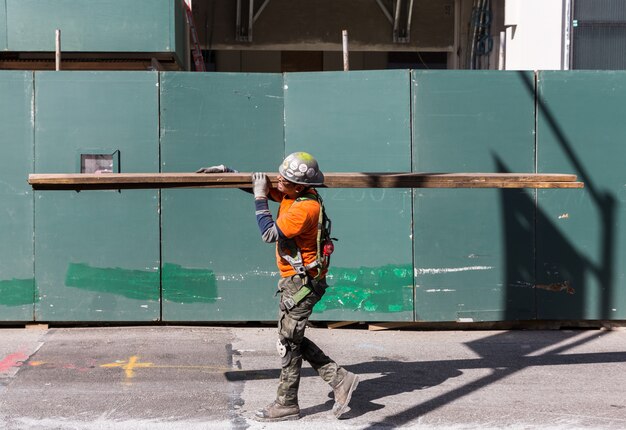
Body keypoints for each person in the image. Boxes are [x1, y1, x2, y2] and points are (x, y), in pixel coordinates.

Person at [197, 152, 359, 422]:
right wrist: (229, 172)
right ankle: (340, 379)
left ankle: (288, 403)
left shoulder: (304, 208)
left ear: (299, 185)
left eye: (285, 180)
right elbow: (264, 187)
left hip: (303, 284)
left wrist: (260, 198)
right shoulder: (294, 194)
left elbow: (269, 233)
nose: (278, 181)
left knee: (288, 342)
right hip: (298, 281)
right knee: (290, 338)